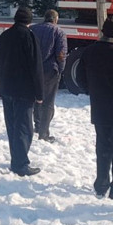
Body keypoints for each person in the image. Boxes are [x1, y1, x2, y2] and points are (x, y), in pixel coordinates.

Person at [77, 16, 113, 200]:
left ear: (102, 31)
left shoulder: (89, 52)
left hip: (99, 107)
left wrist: (91, 92)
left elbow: (80, 78)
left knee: (102, 146)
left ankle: (101, 184)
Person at [0, 7, 45, 177]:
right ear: (29, 21)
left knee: (12, 126)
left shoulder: (4, 36)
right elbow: (35, 66)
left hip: (6, 88)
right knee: (24, 128)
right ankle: (20, 164)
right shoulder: (29, 37)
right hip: (24, 90)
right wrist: (39, 93)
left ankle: (15, 159)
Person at [30, 9, 68, 143]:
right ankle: (44, 133)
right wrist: (60, 70)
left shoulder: (32, 29)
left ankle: (37, 126)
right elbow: (61, 54)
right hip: (50, 71)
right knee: (48, 102)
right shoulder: (59, 32)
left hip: (33, 70)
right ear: (55, 19)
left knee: (36, 98)